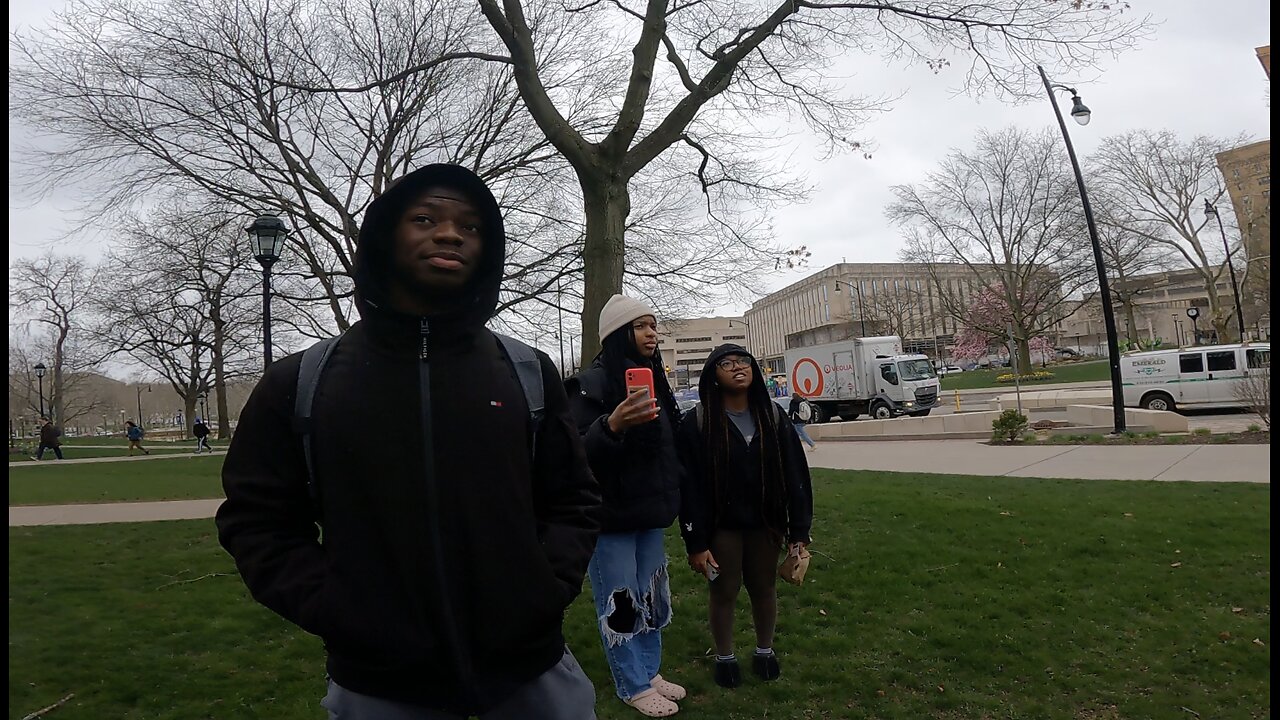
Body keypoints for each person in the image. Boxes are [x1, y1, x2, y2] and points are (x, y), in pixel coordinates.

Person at [216, 163, 602, 720]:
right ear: (383, 237)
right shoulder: (303, 382)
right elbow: (257, 520)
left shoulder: (527, 372)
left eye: (470, 227)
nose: (450, 234)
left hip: (532, 675)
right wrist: (336, 608)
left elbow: (573, 499)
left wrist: (542, 590)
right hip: (378, 687)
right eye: (426, 218)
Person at [565, 295, 685, 718]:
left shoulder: (656, 380)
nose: (652, 333)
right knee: (620, 602)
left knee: (652, 597)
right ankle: (631, 683)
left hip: (650, 513)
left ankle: (649, 671)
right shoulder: (589, 385)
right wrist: (612, 425)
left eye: (654, 325)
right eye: (641, 326)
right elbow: (571, 453)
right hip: (611, 517)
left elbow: (668, 450)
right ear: (618, 335)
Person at [677, 344, 813, 689]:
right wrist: (696, 542)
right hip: (720, 526)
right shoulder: (698, 421)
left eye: (744, 362)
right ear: (713, 375)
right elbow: (688, 485)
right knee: (723, 591)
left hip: (766, 524)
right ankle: (725, 658)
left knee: (764, 588)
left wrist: (799, 530)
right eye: (727, 363)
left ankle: (764, 651)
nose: (738, 368)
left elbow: (796, 473)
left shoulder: (773, 416)